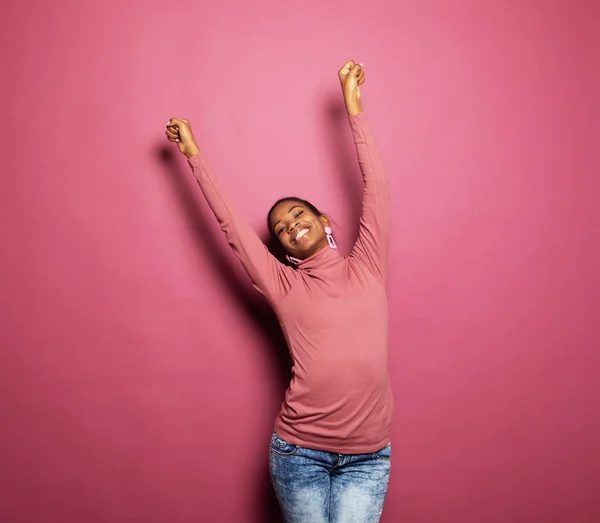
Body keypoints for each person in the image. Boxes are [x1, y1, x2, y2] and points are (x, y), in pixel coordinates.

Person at [165, 60, 393, 523]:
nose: (290, 225)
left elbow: (378, 189)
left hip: (370, 457)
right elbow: (230, 224)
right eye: (281, 228)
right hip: (301, 453)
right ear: (283, 248)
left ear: (325, 222)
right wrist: (194, 154)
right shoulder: (285, 286)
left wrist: (353, 106)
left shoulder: (367, 263)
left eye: (297, 214)